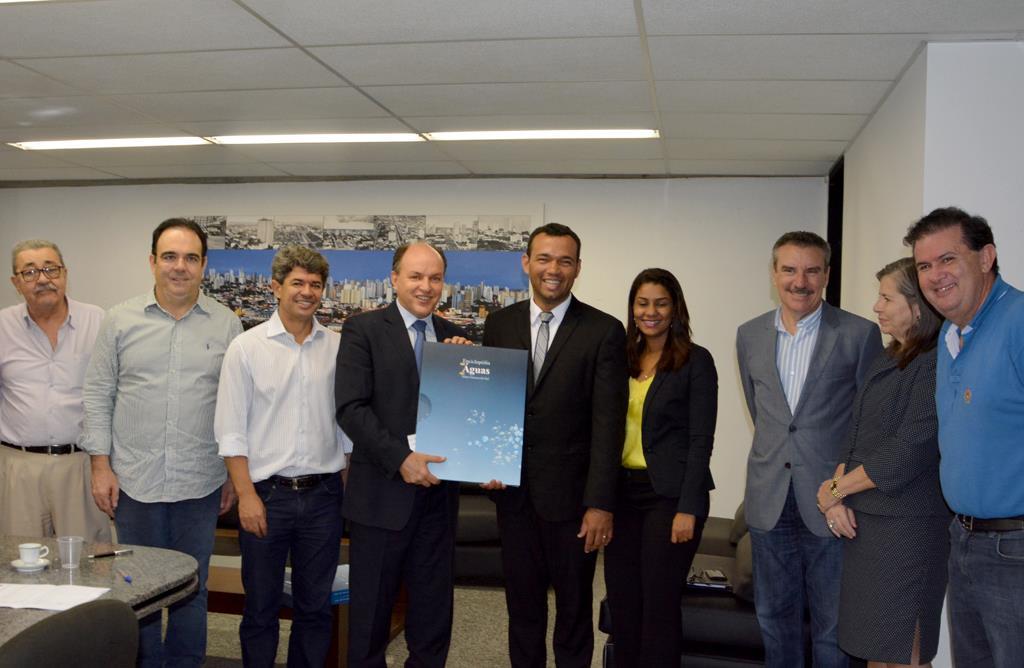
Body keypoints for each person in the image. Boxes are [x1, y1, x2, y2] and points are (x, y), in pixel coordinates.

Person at [82, 218, 242, 667]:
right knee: (137, 587)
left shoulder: (227, 324)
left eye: (191, 258)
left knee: (193, 587)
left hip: (200, 482)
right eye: (170, 256)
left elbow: (234, 407)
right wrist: (100, 466)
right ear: (152, 262)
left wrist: (233, 472)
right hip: (135, 482)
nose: (180, 267)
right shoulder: (120, 320)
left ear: (204, 265)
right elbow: (97, 394)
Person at [482, 222, 627, 667]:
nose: (553, 269)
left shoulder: (604, 331)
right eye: (544, 258)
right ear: (525, 263)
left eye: (565, 260)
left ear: (578, 268)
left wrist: (600, 503)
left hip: (574, 504)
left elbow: (609, 425)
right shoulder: (498, 323)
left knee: (573, 612)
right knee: (521, 609)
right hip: (513, 496)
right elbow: (489, 404)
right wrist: (484, 458)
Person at [736, 230, 881, 668]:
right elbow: (765, 415)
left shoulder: (859, 334)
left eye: (812, 270)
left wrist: (843, 490)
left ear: (827, 275)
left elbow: (868, 424)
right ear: (774, 274)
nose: (801, 281)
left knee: (833, 627)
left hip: (833, 505)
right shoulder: (749, 335)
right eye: (790, 270)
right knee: (773, 619)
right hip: (768, 501)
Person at [335, 241, 470, 668]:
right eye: (415, 276)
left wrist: (468, 368)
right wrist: (401, 459)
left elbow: (469, 416)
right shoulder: (363, 330)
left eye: (434, 278)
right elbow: (351, 409)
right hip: (380, 499)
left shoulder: (455, 337)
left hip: (437, 502)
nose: (426, 286)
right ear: (394, 279)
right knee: (370, 618)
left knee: (433, 619)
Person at [215, 246, 350, 668]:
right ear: (276, 287)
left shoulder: (338, 347)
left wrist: (345, 491)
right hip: (266, 496)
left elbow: (346, 428)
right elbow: (231, 430)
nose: (307, 292)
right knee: (261, 609)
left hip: (324, 496)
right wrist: (246, 496)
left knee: (315, 608)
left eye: (315, 284)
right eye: (297, 283)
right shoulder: (246, 347)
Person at [905, 206, 1024, 667]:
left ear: (986, 256)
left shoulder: (1016, 322)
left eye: (948, 259)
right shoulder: (952, 339)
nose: (936, 276)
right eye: (924, 266)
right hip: (966, 542)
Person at [816, 257, 949, 668]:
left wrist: (835, 490)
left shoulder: (935, 362)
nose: (877, 307)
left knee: (903, 655)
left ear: (917, 305)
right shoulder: (891, 356)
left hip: (908, 530)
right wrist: (835, 494)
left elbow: (907, 450)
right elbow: (855, 435)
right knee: (876, 650)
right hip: (870, 528)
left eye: (886, 297)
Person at [603, 268, 717, 668]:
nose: (651, 311)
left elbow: (701, 440)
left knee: (659, 605)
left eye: (661, 303)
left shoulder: (696, 361)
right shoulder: (621, 358)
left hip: (669, 499)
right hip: (622, 496)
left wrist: (688, 508)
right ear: (633, 308)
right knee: (624, 602)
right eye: (642, 302)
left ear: (675, 308)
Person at [0, 239, 111, 543]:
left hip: (80, 465)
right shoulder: (2, 326)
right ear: (16, 282)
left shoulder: (99, 321)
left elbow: (114, 396)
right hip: (17, 467)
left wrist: (106, 467)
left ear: (65, 273)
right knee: (18, 564)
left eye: (51, 269)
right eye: (30, 272)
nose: (43, 279)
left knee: (90, 566)